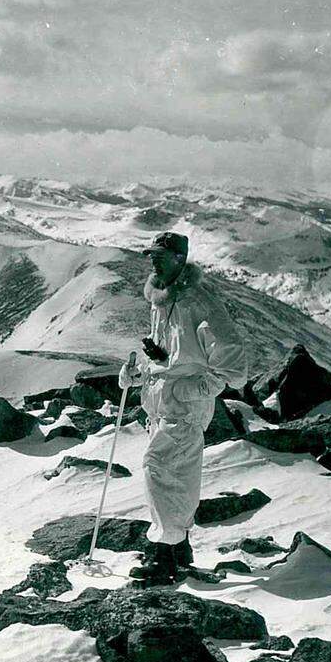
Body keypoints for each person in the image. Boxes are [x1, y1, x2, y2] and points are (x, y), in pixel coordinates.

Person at [118, 231, 246, 584]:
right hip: (161, 404)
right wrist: (136, 372)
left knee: (158, 469)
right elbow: (166, 355)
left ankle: (163, 557)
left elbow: (232, 363)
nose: (152, 260)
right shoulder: (162, 300)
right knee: (177, 476)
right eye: (150, 255)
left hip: (184, 406)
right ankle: (180, 548)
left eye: (160, 255)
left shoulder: (198, 302)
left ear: (179, 258)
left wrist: (197, 388)